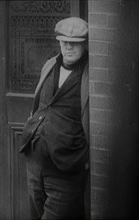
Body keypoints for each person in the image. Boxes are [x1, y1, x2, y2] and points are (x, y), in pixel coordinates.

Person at [19, 17, 89, 220]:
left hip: (66, 170)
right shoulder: (49, 66)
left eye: (74, 43)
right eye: (64, 41)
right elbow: (40, 104)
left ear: (84, 44)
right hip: (35, 163)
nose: (68, 47)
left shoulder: (90, 76)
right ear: (58, 41)